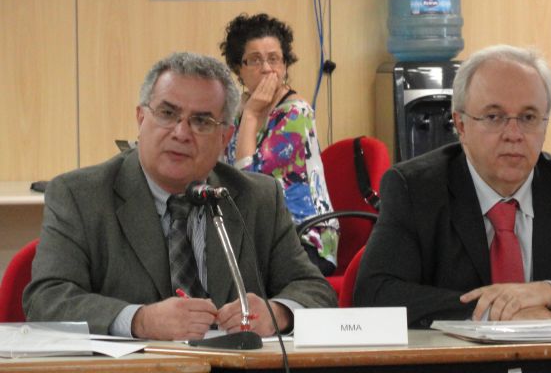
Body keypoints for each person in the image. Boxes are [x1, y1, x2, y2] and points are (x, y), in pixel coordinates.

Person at [23, 52, 337, 340]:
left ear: (225, 136)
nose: (181, 133)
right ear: (141, 118)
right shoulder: (80, 195)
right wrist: (139, 320)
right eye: (167, 113)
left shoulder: (258, 197)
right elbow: (46, 298)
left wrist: (277, 313)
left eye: (201, 121)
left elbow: (315, 290)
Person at [354, 44, 551, 326]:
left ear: (545, 124)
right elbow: (375, 294)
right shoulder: (415, 190)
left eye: (528, 118)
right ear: (461, 125)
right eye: (494, 117)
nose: (514, 134)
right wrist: (498, 311)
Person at [220, 13, 339, 276]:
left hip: (304, 240)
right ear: (239, 69)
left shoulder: (296, 113)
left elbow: (251, 188)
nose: (266, 68)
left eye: (274, 59)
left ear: (285, 66)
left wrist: (251, 115)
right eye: (255, 60)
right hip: (255, 237)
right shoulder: (237, 112)